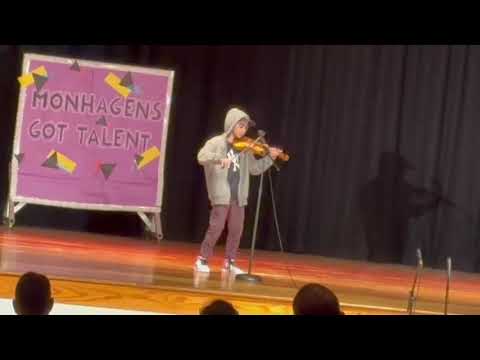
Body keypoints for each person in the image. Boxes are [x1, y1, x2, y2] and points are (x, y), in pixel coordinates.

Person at [195, 107, 282, 274]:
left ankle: (229, 262)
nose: (243, 129)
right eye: (240, 125)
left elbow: (255, 169)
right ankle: (202, 259)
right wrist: (219, 159)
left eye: (245, 127)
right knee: (216, 227)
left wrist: (270, 157)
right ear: (231, 124)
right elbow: (201, 157)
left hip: (239, 195)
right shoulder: (216, 142)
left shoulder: (245, 148)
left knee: (236, 229)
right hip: (221, 194)